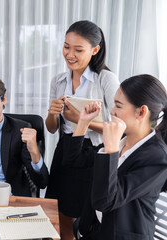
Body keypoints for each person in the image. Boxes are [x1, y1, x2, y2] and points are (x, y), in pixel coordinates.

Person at [66, 74, 167, 239]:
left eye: (118, 106)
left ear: (141, 112)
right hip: (95, 229)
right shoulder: (122, 139)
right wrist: (83, 122)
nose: (112, 111)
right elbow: (73, 161)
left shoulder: (158, 157)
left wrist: (111, 149)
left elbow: (106, 201)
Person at [45, 20, 120, 239]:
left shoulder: (106, 79)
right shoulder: (58, 81)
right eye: (66, 47)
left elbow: (119, 127)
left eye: (78, 50)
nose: (70, 54)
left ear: (95, 50)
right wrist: (52, 113)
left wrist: (81, 120)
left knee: (84, 218)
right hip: (66, 149)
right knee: (59, 215)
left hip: (92, 153)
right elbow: (52, 129)